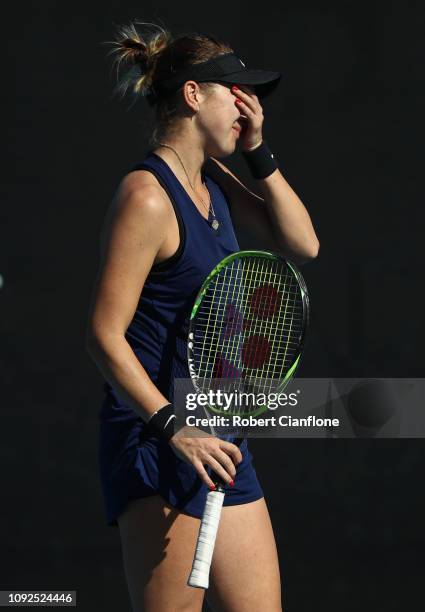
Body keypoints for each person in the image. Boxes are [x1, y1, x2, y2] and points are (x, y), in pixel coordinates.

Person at [86, 20, 319, 612]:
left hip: (220, 440)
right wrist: (175, 429)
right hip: (158, 442)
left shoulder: (212, 180)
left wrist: (256, 149)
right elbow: (103, 335)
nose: (249, 107)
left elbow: (303, 244)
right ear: (193, 95)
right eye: (235, 93)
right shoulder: (146, 196)